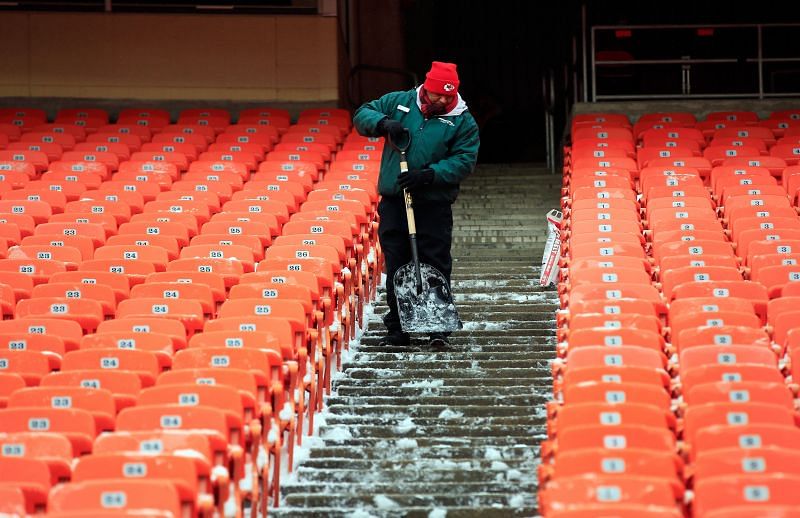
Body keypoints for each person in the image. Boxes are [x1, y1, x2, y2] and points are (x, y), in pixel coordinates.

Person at [353, 61, 480, 347]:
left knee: (434, 263)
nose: (443, 101)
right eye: (438, 95)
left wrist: (430, 175)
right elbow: (363, 113)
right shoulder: (398, 102)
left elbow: (464, 160)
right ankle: (398, 328)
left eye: (449, 97)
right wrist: (383, 123)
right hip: (396, 201)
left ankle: (437, 328)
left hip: (433, 203)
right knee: (397, 263)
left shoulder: (463, 121)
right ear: (427, 89)